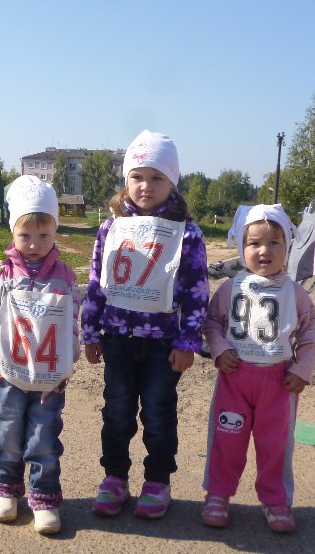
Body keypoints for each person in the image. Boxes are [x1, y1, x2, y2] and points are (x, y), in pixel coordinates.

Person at [80, 130, 209, 519]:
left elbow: (196, 290)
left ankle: (157, 482)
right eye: (137, 176)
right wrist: (90, 330)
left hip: (161, 344)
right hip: (118, 337)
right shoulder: (110, 227)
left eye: (157, 177)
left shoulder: (186, 233)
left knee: (158, 413)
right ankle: (114, 478)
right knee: (116, 411)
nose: (146, 186)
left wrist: (188, 341)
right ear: (126, 180)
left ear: (172, 181)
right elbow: (96, 281)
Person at [201, 204, 315, 533]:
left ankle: (275, 499)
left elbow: (311, 335)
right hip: (234, 380)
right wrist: (220, 350)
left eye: (274, 242)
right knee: (227, 439)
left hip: (278, 383)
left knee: (274, 444)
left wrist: (302, 368)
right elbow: (211, 323)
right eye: (254, 243)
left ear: (288, 247)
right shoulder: (229, 289)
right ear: (242, 247)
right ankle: (218, 494)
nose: (264, 250)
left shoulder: (296, 294)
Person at [0, 175, 80, 535]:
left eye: (43, 236)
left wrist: (70, 356)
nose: (34, 244)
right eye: (25, 236)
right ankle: (5, 489)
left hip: (48, 376)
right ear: (13, 232)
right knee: (7, 428)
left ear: (54, 232)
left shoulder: (65, 278)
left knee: (43, 434)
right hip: (6, 371)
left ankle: (44, 496)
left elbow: (71, 323)